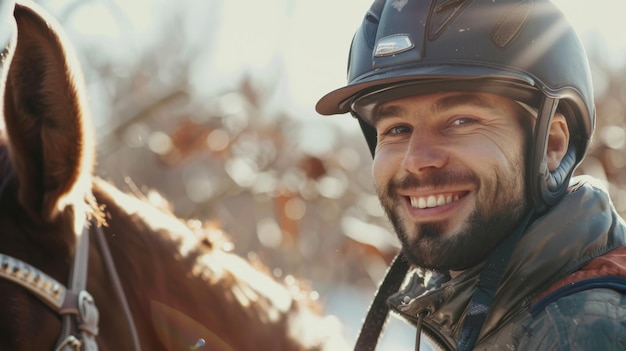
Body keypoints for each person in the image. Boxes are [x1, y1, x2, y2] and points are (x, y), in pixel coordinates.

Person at [316, 0, 626, 350]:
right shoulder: (511, 316)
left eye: (461, 121)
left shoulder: (582, 330)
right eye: (398, 128)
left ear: (552, 144)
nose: (416, 160)